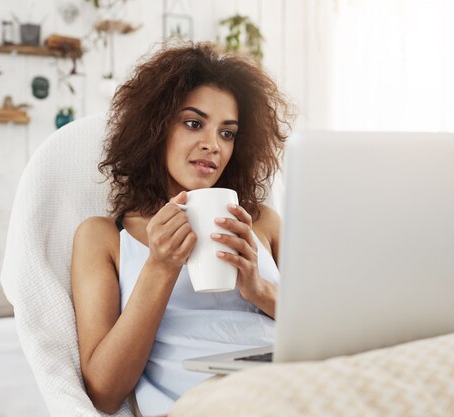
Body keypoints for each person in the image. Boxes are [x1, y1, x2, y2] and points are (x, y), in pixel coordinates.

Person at [71, 42, 291, 416]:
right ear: (154, 128)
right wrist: (161, 265)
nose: (212, 145)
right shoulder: (104, 237)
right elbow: (104, 393)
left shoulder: (263, 223)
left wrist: (259, 290)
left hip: (290, 385)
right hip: (202, 403)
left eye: (228, 133)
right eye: (193, 123)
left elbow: (323, 330)